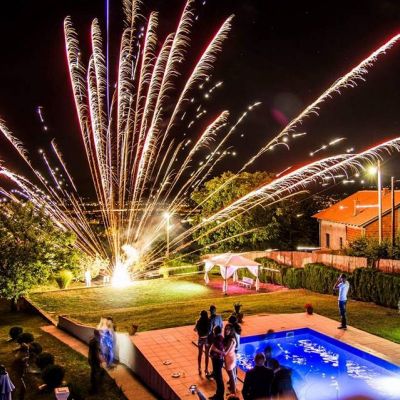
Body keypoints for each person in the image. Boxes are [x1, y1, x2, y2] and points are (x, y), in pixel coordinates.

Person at [206, 305, 224, 379]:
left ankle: (214, 373)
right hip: (219, 336)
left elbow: (210, 330)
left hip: (213, 338)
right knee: (218, 356)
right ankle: (216, 372)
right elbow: (222, 325)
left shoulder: (210, 319)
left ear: (210, 311)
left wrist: (207, 339)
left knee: (213, 356)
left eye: (210, 311)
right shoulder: (219, 317)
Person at [208, 325, 225, 400]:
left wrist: (213, 351)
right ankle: (218, 394)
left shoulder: (217, 338)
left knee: (219, 379)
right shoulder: (221, 337)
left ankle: (220, 396)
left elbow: (213, 348)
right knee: (218, 378)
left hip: (217, 361)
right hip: (218, 360)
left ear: (215, 331)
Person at [194, 310, 211, 375]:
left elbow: (195, 330)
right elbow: (210, 331)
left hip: (200, 339)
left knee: (200, 354)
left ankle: (199, 368)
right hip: (206, 339)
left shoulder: (198, 321)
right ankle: (206, 369)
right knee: (207, 354)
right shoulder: (209, 321)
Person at [88, 329, 104, 394]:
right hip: (94, 360)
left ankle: (93, 387)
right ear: (98, 334)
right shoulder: (96, 342)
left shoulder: (92, 340)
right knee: (96, 373)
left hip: (91, 359)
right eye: (100, 333)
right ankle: (95, 389)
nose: (102, 334)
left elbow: (93, 351)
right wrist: (100, 360)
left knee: (93, 372)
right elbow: (96, 353)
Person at [223, 324, 237, 395]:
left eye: (228, 329)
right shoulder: (229, 338)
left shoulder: (230, 340)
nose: (226, 330)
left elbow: (226, 352)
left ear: (231, 330)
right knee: (232, 376)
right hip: (231, 357)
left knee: (231, 377)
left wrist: (215, 349)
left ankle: (233, 393)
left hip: (229, 359)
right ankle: (232, 390)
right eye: (225, 329)